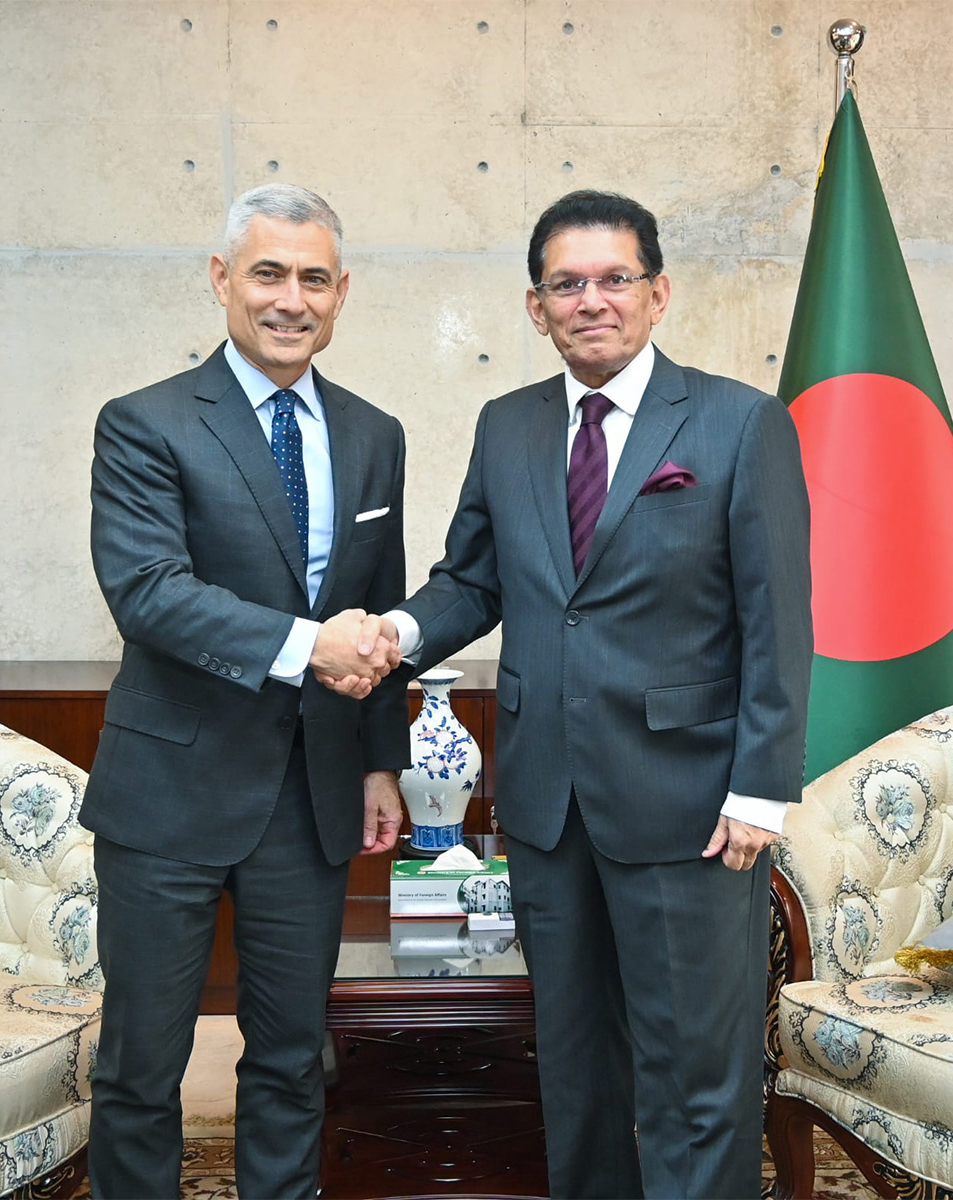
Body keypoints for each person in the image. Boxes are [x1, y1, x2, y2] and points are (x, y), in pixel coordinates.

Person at [350, 189, 813, 1198]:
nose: (589, 300)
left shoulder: (739, 423)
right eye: (567, 284)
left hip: (692, 808)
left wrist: (760, 790)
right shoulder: (507, 425)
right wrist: (396, 634)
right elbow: (472, 579)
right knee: (574, 1067)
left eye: (613, 280)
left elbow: (780, 614)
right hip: (548, 806)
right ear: (535, 307)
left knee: (697, 1074)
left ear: (658, 295)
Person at [81, 183, 408, 1199]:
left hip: (308, 795)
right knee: (141, 1067)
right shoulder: (144, 425)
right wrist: (311, 644)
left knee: (290, 1055)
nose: (289, 298)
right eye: (268, 272)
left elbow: (379, 599)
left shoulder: (373, 434)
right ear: (222, 280)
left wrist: (381, 762)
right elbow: (150, 596)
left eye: (313, 278)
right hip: (167, 793)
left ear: (341, 293)